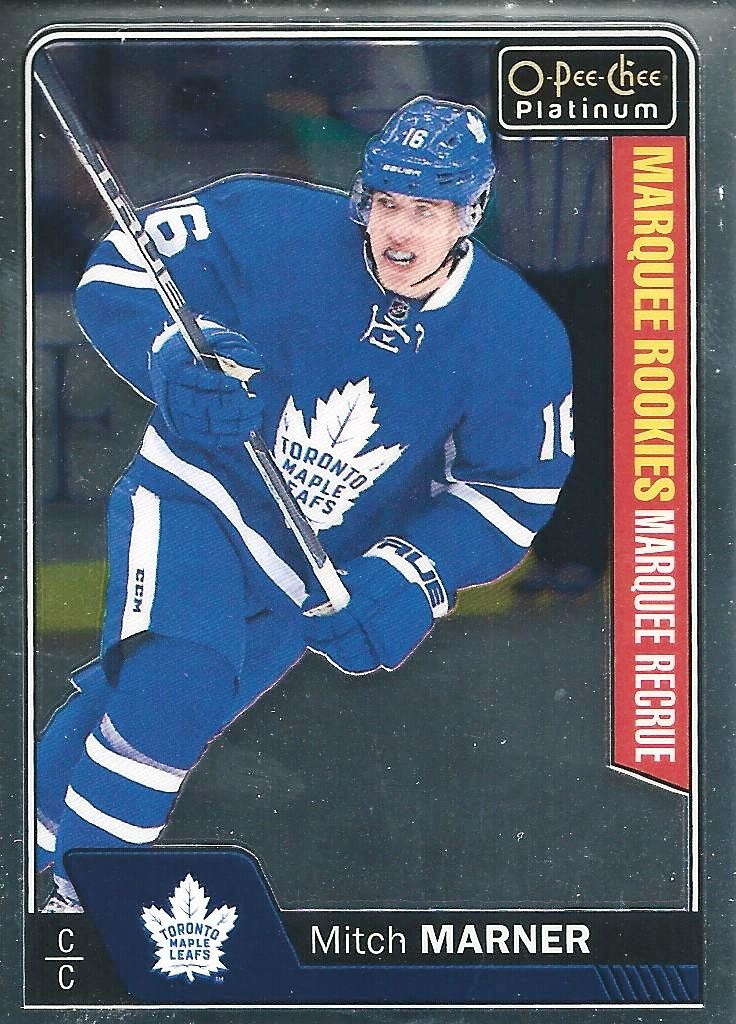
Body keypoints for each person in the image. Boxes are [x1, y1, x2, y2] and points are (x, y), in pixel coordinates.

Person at [36, 96, 573, 911]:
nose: (398, 233)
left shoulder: (519, 335)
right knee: (176, 689)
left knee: (132, 712)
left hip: (315, 566)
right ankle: (82, 909)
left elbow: (512, 490)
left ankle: (28, 859)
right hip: (200, 497)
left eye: (426, 210)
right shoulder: (271, 221)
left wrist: (414, 570)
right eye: (386, 202)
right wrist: (174, 356)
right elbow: (119, 267)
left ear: (473, 211)